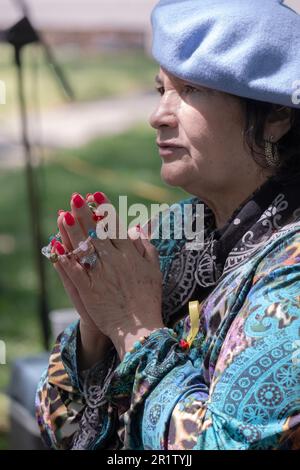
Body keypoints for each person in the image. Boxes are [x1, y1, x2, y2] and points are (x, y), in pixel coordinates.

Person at [36, 0, 300, 450]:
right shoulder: (177, 228)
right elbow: (54, 424)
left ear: (275, 116)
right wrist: (95, 329)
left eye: (192, 90)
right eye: (162, 90)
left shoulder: (290, 268)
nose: (159, 115)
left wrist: (133, 328)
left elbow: (222, 443)